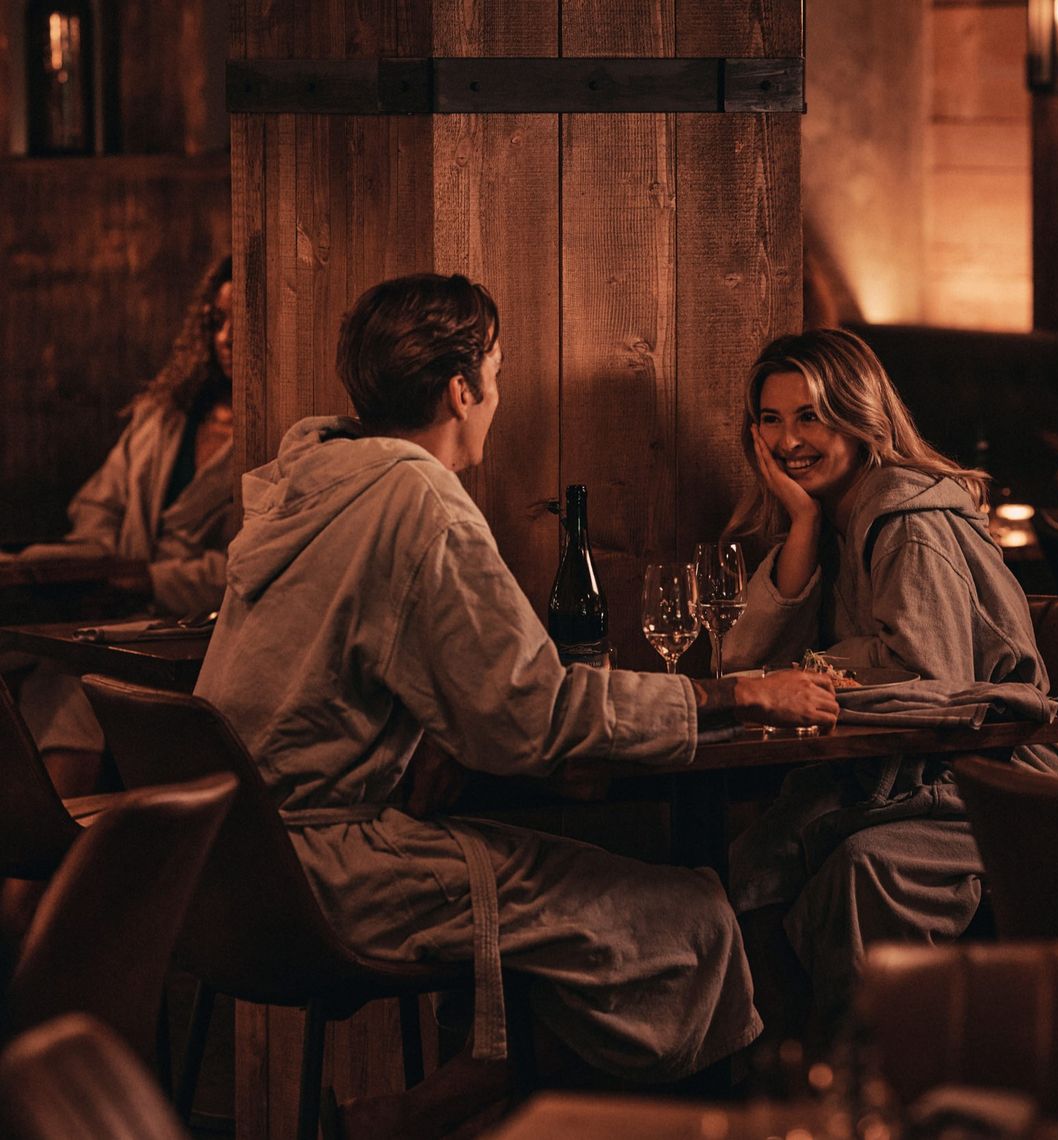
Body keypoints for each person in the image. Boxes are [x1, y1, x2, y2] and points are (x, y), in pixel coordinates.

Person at [193, 273, 838, 1138]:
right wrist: (735, 694)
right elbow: (534, 717)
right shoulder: (419, 500)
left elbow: (416, 686)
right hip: (327, 874)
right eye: (496, 371)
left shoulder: (314, 478)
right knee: (694, 922)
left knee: (596, 918)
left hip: (230, 871)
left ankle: (452, 1094)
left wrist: (438, 734)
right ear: (463, 389)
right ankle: (438, 1110)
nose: (497, 393)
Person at [720, 327, 1058, 1044]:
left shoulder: (908, 520)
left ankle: (867, 1086)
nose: (788, 439)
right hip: (900, 779)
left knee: (857, 874)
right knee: (742, 870)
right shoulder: (829, 519)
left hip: (996, 787)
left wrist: (809, 674)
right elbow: (746, 662)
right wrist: (798, 524)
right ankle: (785, 1085)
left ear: (859, 417)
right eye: (771, 418)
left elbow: (935, 678)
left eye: (811, 415)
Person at [10, 253, 237, 792]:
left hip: (194, 644)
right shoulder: (163, 417)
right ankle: (41, 864)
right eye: (216, 321)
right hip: (114, 623)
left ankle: (55, 868)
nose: (226, 337)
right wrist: (85, 564)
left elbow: (252, 564)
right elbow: (99, 507)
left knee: (75, 695)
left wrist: (154, 579)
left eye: (241, 322)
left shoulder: (279, 430)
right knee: (34, 674)